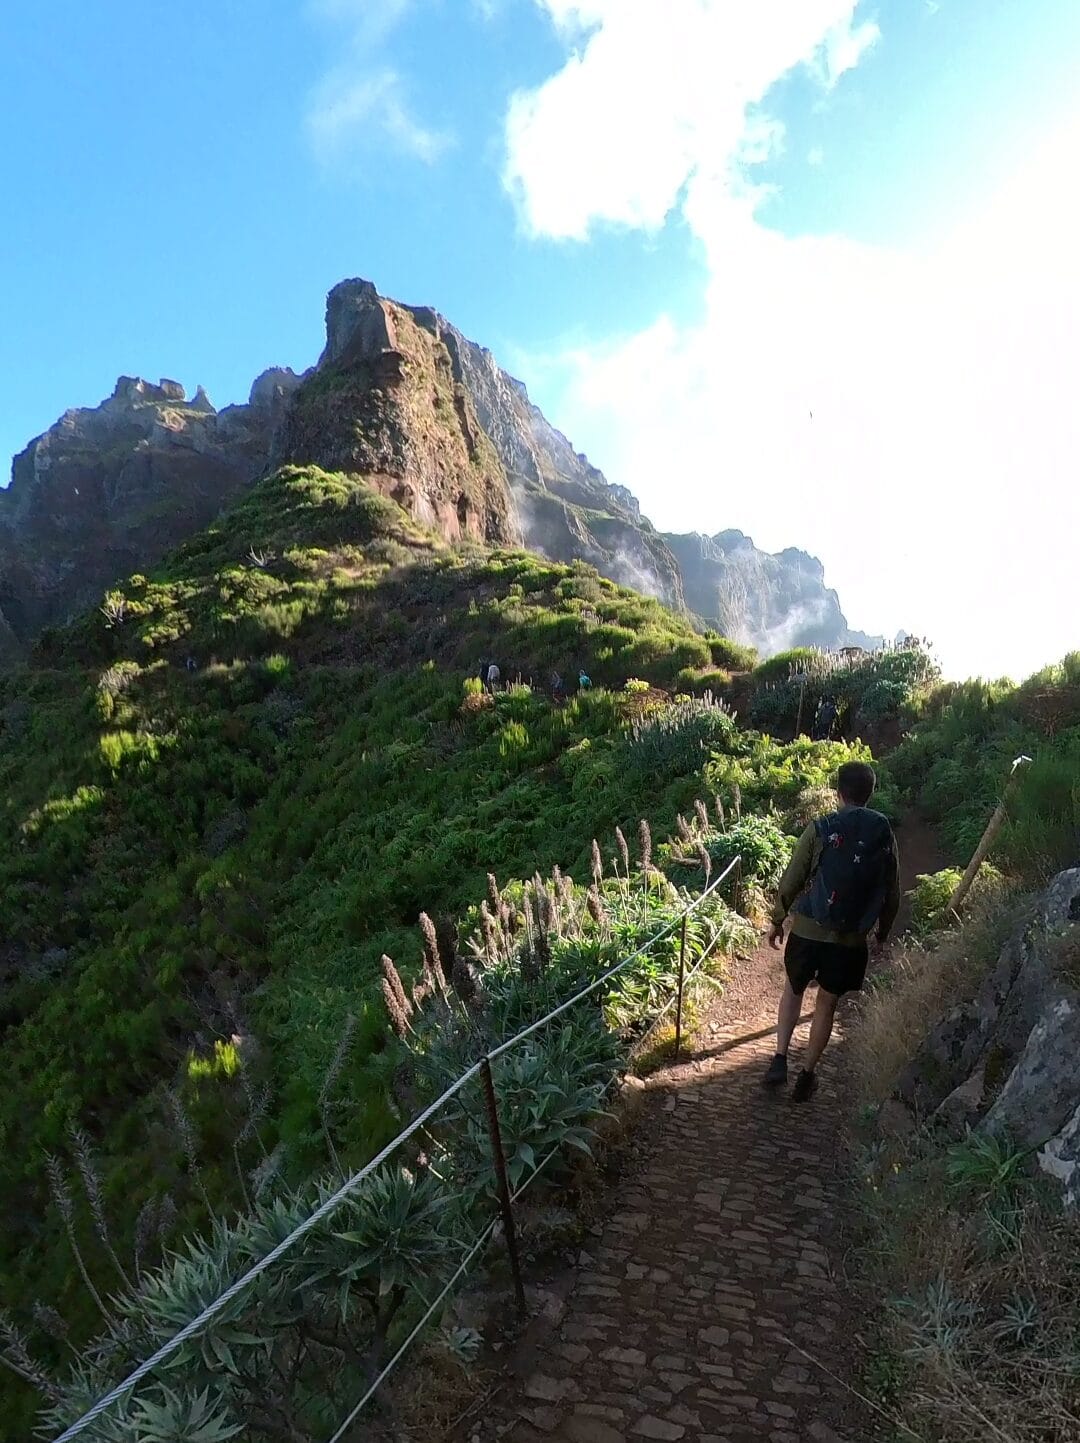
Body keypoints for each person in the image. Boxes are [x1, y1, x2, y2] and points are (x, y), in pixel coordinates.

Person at [764, 760, 899, 1101]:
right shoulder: (883, 831)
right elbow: (891, 889)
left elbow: (793, 875)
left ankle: (780, 1059)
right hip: (850, 939)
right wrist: (882, 933)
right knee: (826, 1004)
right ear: (871, 793)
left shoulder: (822, 826)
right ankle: (807, 1075)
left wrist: (778, 918)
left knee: (793, 990)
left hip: (809, 929)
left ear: (838, 792)